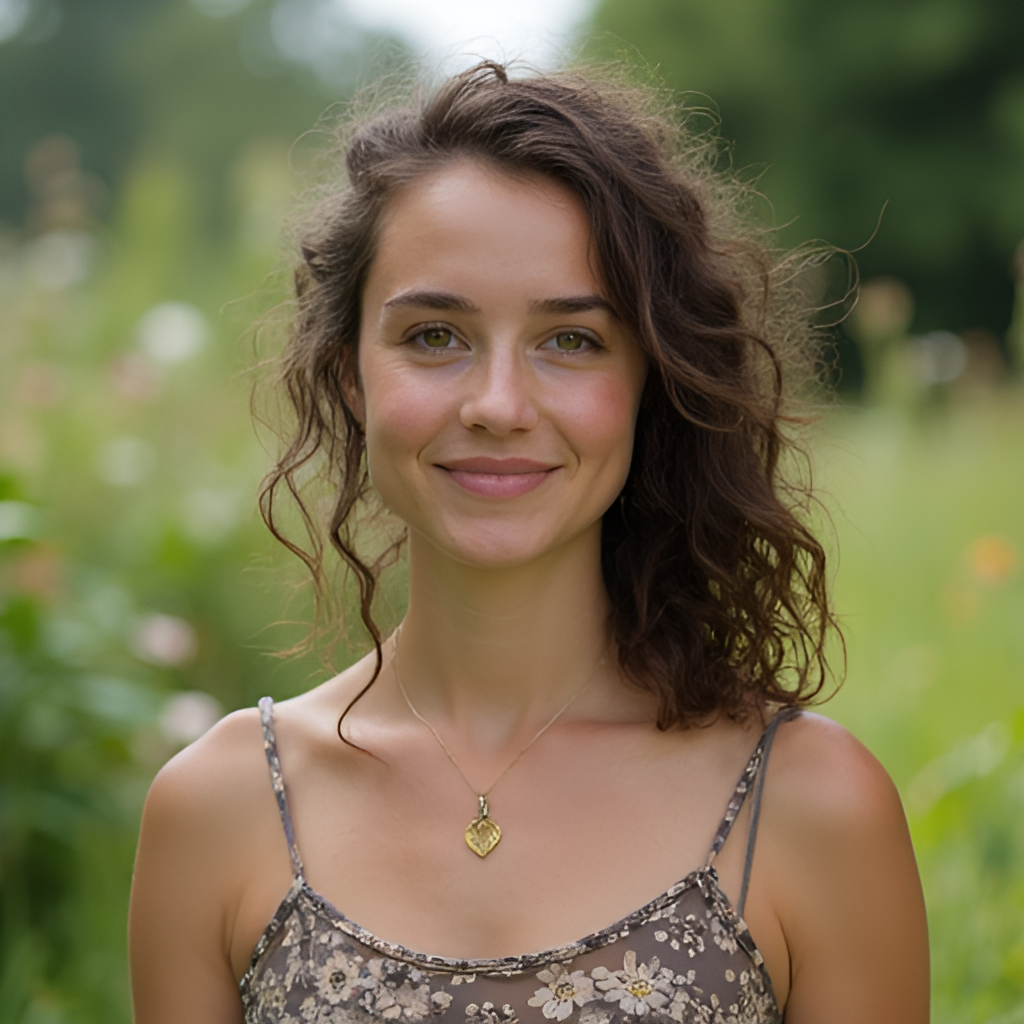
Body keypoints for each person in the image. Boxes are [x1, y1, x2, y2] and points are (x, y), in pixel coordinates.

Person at [128, 62, 929, 1024]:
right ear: (351, 377)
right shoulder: (220, 809)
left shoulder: (807, 808)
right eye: (434, 336)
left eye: (572, 341)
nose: (498, 406)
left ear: (650, 379)